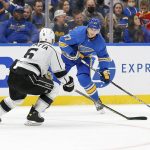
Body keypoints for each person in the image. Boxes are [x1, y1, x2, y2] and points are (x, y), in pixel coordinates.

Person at [0, 28, 74, 125]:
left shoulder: (33, 46)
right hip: (27, 77)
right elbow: (59, 72)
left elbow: (32, 63)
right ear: (52, 38)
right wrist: (68, 82)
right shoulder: (51, 49)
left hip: (14, 74)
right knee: (54, 87)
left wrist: (43, 74)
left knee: (16, 99)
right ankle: (34, 115)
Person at [59, 18, 111, 113]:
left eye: (96, 30)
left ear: (99, 30)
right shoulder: (78, 33)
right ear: (87, 27)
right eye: (91, 29)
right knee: (57, 77)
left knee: (84, 79)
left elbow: (103, 56)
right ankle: (44, 102)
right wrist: (73, 53)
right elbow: (62, 41)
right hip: (69, 57)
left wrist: (104, 70)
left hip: (85, 58)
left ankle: (96, 100)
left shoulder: (100, 42)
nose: (93, 32)